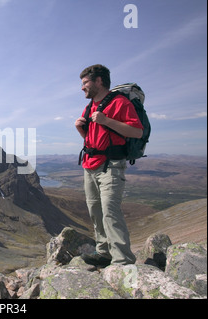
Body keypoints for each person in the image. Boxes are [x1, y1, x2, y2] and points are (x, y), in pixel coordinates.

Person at [75, 64, 143, 267]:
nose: (82, 88)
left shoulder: (119, 102)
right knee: (95, 211)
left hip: (110, 166)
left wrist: (106, 120)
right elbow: (94, 140)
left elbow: (137, 132)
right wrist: (81, 129)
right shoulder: (89, 107)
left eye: (85, 83)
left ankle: (123, 260)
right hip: (90, 165)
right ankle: (104, 252)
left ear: (99, 81)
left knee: (110, 211)